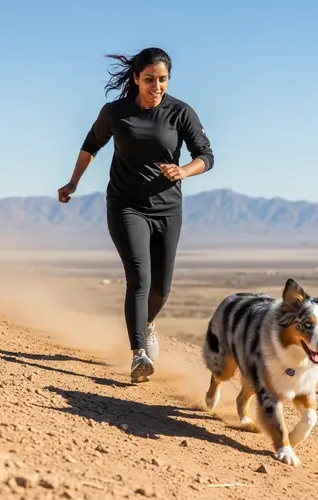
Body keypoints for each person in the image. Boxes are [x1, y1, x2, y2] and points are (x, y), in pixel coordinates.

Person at [57, 47, 214, 384]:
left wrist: (184, 171)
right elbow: (90, 145)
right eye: (149, 80)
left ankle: (145, 323)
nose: (156, 86)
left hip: (168, 209)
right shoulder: (116, 112)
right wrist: (73, 182)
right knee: (139, 278)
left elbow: (206, 156)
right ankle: (138, 355)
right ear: (135, 78)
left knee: (162, 287)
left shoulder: (180, 112)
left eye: (162, 80)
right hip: (126, 205)